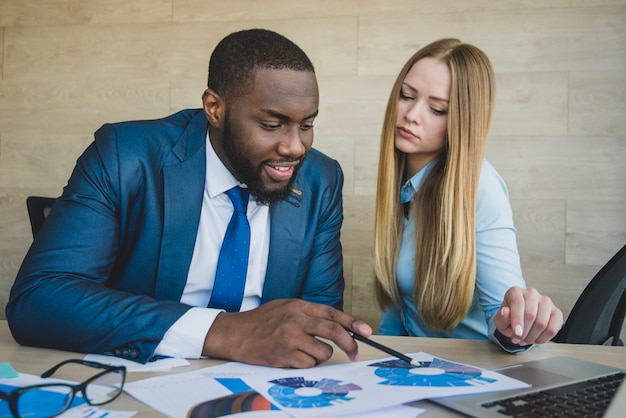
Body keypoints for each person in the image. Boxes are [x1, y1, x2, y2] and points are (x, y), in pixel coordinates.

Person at [6, 28, 371, 368]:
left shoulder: (321, 179)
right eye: (271, 125)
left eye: (306, 125)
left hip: (263, 386)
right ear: (215, 108)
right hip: (141, 378)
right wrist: (222, 332)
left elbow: (317, 317)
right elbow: (40, 298)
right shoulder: (125, 156)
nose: (295, 147)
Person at [373, 38, 563, 352]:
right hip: (416, 369)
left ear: (463, 120)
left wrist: (516, 322)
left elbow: (503, 318)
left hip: (473, 373)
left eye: (437, 109)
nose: (412, 114)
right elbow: (397, 311)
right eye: (406, 96)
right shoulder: (404, 181)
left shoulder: (480, 187)